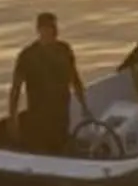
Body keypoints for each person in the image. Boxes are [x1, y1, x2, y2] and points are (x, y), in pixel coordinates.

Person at [8, 10, 84, 153]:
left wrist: (84, 105)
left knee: (61, 147)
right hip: (39, 116)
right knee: (41, 149)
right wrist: (13, 118)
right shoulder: (28, 55)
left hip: (61, 113)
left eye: (55, 27)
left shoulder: (64, 50)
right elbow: (16, 89)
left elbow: (75, 78)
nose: (54, 31)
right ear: (39, 30)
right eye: (49, 28)